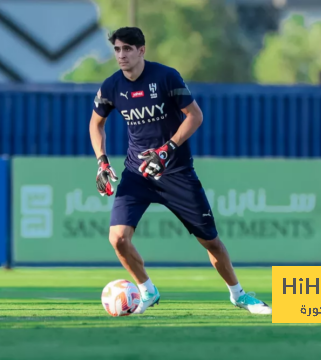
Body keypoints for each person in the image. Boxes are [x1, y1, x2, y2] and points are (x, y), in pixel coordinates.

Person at [89, 27, 271, 315]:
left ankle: (239, 295)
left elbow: (195, 116)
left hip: (176, 172)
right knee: (118, 239)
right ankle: (147, 291)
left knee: (211, 242)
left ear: (141, 50)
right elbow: (95, 124)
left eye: (127, 49)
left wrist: (167, 150)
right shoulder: (111, 86)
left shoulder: (165, 77)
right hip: (137, 175)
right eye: (117, 50)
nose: (121, 55)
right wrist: (102, 160)